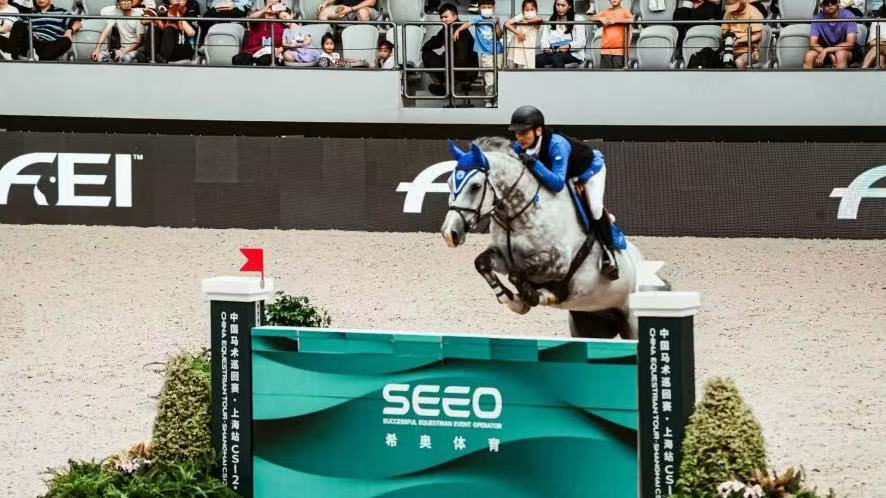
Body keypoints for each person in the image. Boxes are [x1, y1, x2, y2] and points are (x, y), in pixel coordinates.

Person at [509, 105, 619, 280]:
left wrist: (534, 164)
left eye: (523, 132)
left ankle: (609, 254)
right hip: (566, 174)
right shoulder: (519, 147)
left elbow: (557, 184)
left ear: (538, 130)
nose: (519, 137)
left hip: (589, 170)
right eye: (517, 133)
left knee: (595, 208)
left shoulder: (557, 144)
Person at [453, 0, 504, 107]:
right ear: (479, 8)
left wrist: (497, 25)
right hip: (486, 53)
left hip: (498, 51)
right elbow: (467, 24)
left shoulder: (495, 19)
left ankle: (499, 99)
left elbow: (499, 36)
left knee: (500, 77)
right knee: (489, 78)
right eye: (484, 7)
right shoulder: (477, 19)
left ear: (493, 8)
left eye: (489, 7)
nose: (486, 9)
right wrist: (458, 30)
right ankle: (489, 100)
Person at [421, 2, 477, 96]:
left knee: (427, 55)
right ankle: (448, 83)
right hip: (466, 69)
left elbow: (462, 58)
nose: (443, 20)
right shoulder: (449, 27)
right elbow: (436, 42)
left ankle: (443, 85)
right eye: (441, 17)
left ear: (455, 16)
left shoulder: (458, 30)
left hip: (464, 70)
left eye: (446, 17)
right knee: (430, 53)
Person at [6, 0, 79, 60]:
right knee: (18, 24)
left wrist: (69, 30)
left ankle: (36, 56)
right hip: (31, 42)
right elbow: (19, 30)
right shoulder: (30, 13)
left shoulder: (62, 12)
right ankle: (13, 55)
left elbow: (77, 23)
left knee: (66, 41)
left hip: (48, 45)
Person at [803, 0, 857, 69]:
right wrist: (830, 54)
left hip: (845, 51)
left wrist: (827, 50)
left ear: (838, 2)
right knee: (809, 55)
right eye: (826, 2)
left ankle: (841, 76)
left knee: (840, 54)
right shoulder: (817, 18)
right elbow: (812, 44)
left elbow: (850, 44)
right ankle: (806, 76)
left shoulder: (848, 15)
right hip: (823, 50)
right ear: (821, 6)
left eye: (833, 1)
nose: (830, 5)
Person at [536, 0, 588, 68]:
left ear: (569, 6)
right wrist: (545, 48)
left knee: (557, 57)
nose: (560, 8)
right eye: (558, 5)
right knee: (537, 59)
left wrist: (568, 46)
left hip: (573, 54)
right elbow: (544, 39)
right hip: (554, 52)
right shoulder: (550, 19)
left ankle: (561, 75)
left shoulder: (578, 19)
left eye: (563, 5)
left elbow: (581, 42)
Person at [231, 0, 284, 66]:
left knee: (264, 60)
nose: (272, 3)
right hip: (252, 51)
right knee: (237, 59)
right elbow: (251, 18)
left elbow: (290, 37)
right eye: (270, 1)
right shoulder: (259, 14)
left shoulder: (282, 19)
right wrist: (264, 11)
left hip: (270, 52)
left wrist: (279, 50)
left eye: (275, 2)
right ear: (265, 3)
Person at [589, 0, 633, 68]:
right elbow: (590, 18)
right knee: (605, 73)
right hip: (605, 50)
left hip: (619, 51)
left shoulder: (624, 11)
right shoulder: (606, 11)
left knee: (618, 73)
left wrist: (616, 20)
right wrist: (600, 18)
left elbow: (631, 20)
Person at [720, 0, 762, 70]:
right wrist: (727, 37)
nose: (733, 9)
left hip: (749, 50)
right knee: (715, 60)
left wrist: (739, 41)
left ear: (743, 2)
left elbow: (758, 36)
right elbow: (724, 30)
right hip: (729, 48)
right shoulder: (728, 12)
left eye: (735, 6)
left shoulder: (754, 12)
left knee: (739, 62)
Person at [505, 0, 542, 68]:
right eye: (527, 10)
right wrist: (518, 33)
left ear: (536, 9)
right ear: (523, 10)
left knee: (528, 67)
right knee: (513, 67)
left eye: (532, 9)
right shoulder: (521, 16)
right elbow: (507, 24)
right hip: (517, 46)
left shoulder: (536, 18)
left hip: (529, 47)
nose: (529, 12)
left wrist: (527, 21)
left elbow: (539, 19)